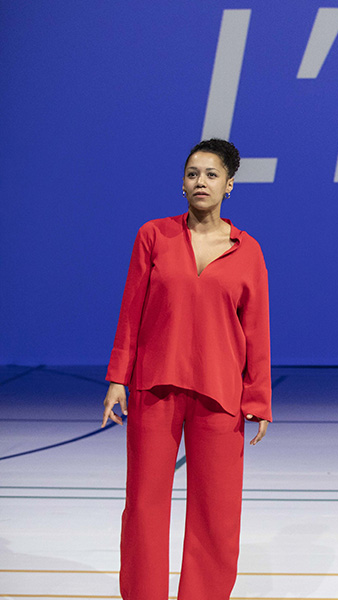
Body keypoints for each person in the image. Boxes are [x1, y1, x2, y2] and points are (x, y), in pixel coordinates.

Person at [100, 138, 272, 599]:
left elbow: (256, 330)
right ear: (182, 183)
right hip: (153, 387)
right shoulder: (153, 236)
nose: (201, 182)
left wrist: (257, 398)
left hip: (220, 395)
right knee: (143, 506)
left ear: (229, 185)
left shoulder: (248, 251)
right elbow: (131, 310)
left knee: (217, 512)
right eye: (193, 173)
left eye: (212, 174)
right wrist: (118, 377)